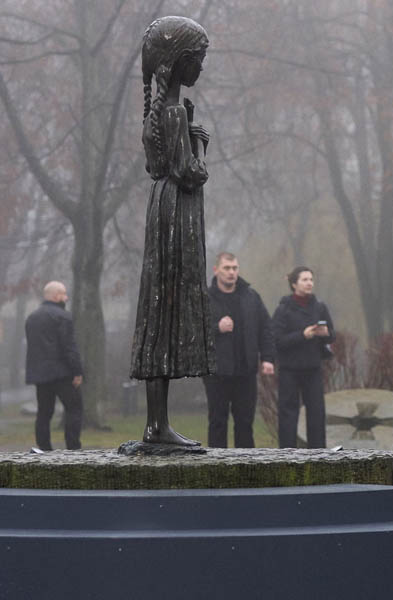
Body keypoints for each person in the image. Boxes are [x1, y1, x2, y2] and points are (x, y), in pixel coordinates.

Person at [130, 16, 214, 446]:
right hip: (177, 216)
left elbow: (156, 166)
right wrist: (199, 142)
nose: (200, 68)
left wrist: (189, 131)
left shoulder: (157, 114)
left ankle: (155, 424)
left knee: (157, 312)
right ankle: (157, 428)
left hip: (160, 210)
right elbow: (190, 172)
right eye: (197, 59)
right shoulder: (176, 113)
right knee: (167, 311)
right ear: (179, 61)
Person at [203, 252, 275, 448]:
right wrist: (217, 327)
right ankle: (217, 468)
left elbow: (266, 328)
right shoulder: (205, 299)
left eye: (235, 268)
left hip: (246, 372)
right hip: (217, 373)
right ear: (216, 270)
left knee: (245, 424)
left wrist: (267, 358)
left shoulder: (251, 297)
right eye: (227, 268)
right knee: (218, 423)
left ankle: (247, 469)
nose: (231, 272)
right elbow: (192, 332)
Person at [272, 267, 335, 448]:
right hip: (289, 370)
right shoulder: (283, 309)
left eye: (311, 280)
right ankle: (287, 456)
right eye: (304, 280)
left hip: (313, 368)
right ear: (294, 284)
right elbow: (276, 340)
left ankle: (318, 456)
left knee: (316, 413)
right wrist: (302, 335)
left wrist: (325, 333)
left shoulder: (320, 307)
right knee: (288, 414)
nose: (309, 283)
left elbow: (332, 335)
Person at [25, 281, 83, 451]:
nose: (66, 297)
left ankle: (44, 448)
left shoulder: (32, 318)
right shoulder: (63, 316)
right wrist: (77, 371)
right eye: (64, 293)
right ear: (56, 295)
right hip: (62, 373)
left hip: (40, 375)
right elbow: (69, 347)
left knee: (44, 413)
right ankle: (73, 448)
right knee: (74, 408)